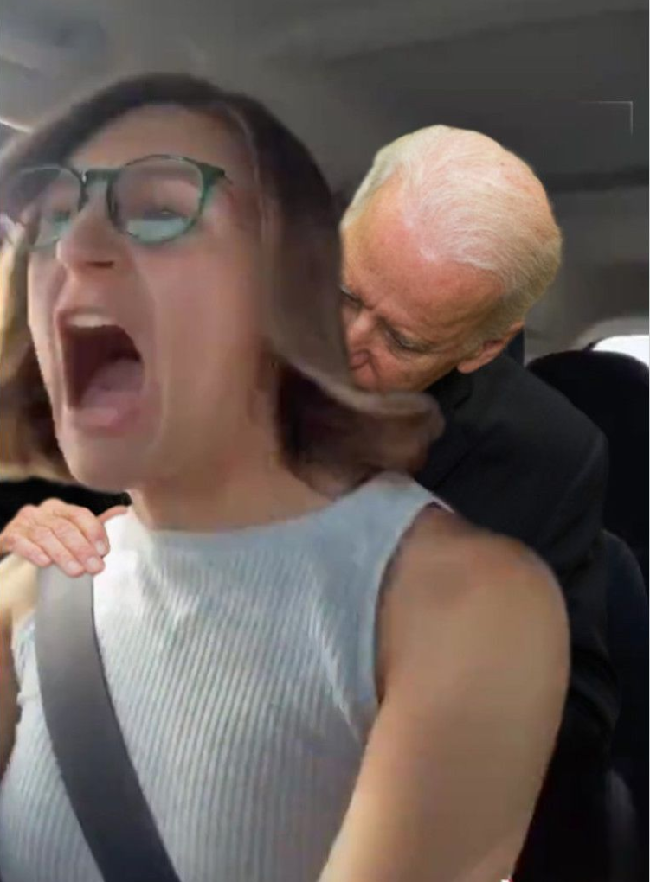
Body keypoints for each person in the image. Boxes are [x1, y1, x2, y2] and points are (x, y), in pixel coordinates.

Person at [3, 124, 617, 878]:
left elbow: (575, 715)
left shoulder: (546, 456)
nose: (347, 339)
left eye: (401, 340)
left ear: (481, 347)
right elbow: (63, 497)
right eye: (345, 292)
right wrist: (39, 528)